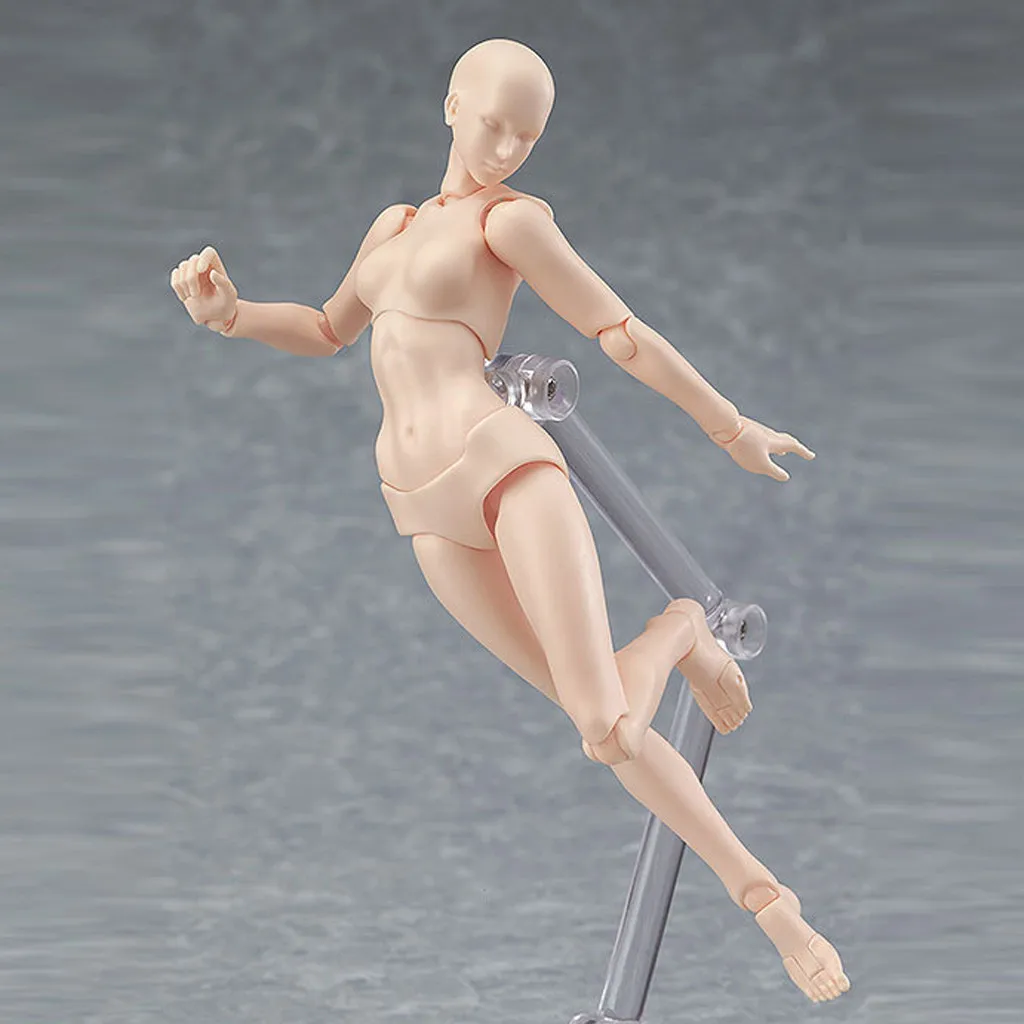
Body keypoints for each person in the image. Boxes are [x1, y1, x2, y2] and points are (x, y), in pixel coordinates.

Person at [170, 38, 849, 1003]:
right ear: (452, 105)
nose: (503, 150)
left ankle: (768, 898)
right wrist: (232, 316)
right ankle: (678, 639)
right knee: (605, 725)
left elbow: (619, 332)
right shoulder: (394, 226)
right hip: (420, 506)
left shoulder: (512, 222)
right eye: (492, 124)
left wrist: (729, 425)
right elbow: (326, 329)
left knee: (606, 728)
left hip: (502, 463)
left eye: (525, 136)